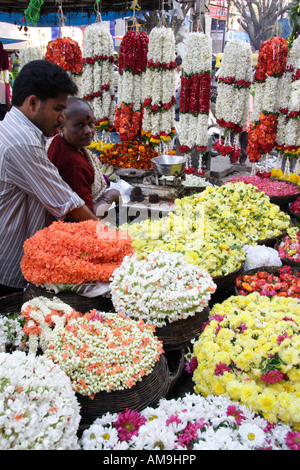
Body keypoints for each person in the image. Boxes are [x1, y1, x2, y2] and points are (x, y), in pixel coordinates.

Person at [0, 60, 99, 297]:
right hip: (10, 261)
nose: (62, 118)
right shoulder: (21, 141)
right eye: (58, 109)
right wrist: (109, 242)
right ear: (33, 103)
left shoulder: (20, 129)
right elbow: (66, 202)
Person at [47, 97, 120, 219]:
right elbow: (87, 217)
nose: (88, 131)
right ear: (61, 127)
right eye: (79, 125)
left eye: (90, 123)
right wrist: (110, 196)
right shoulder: (73, 163)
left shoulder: (60, 142)